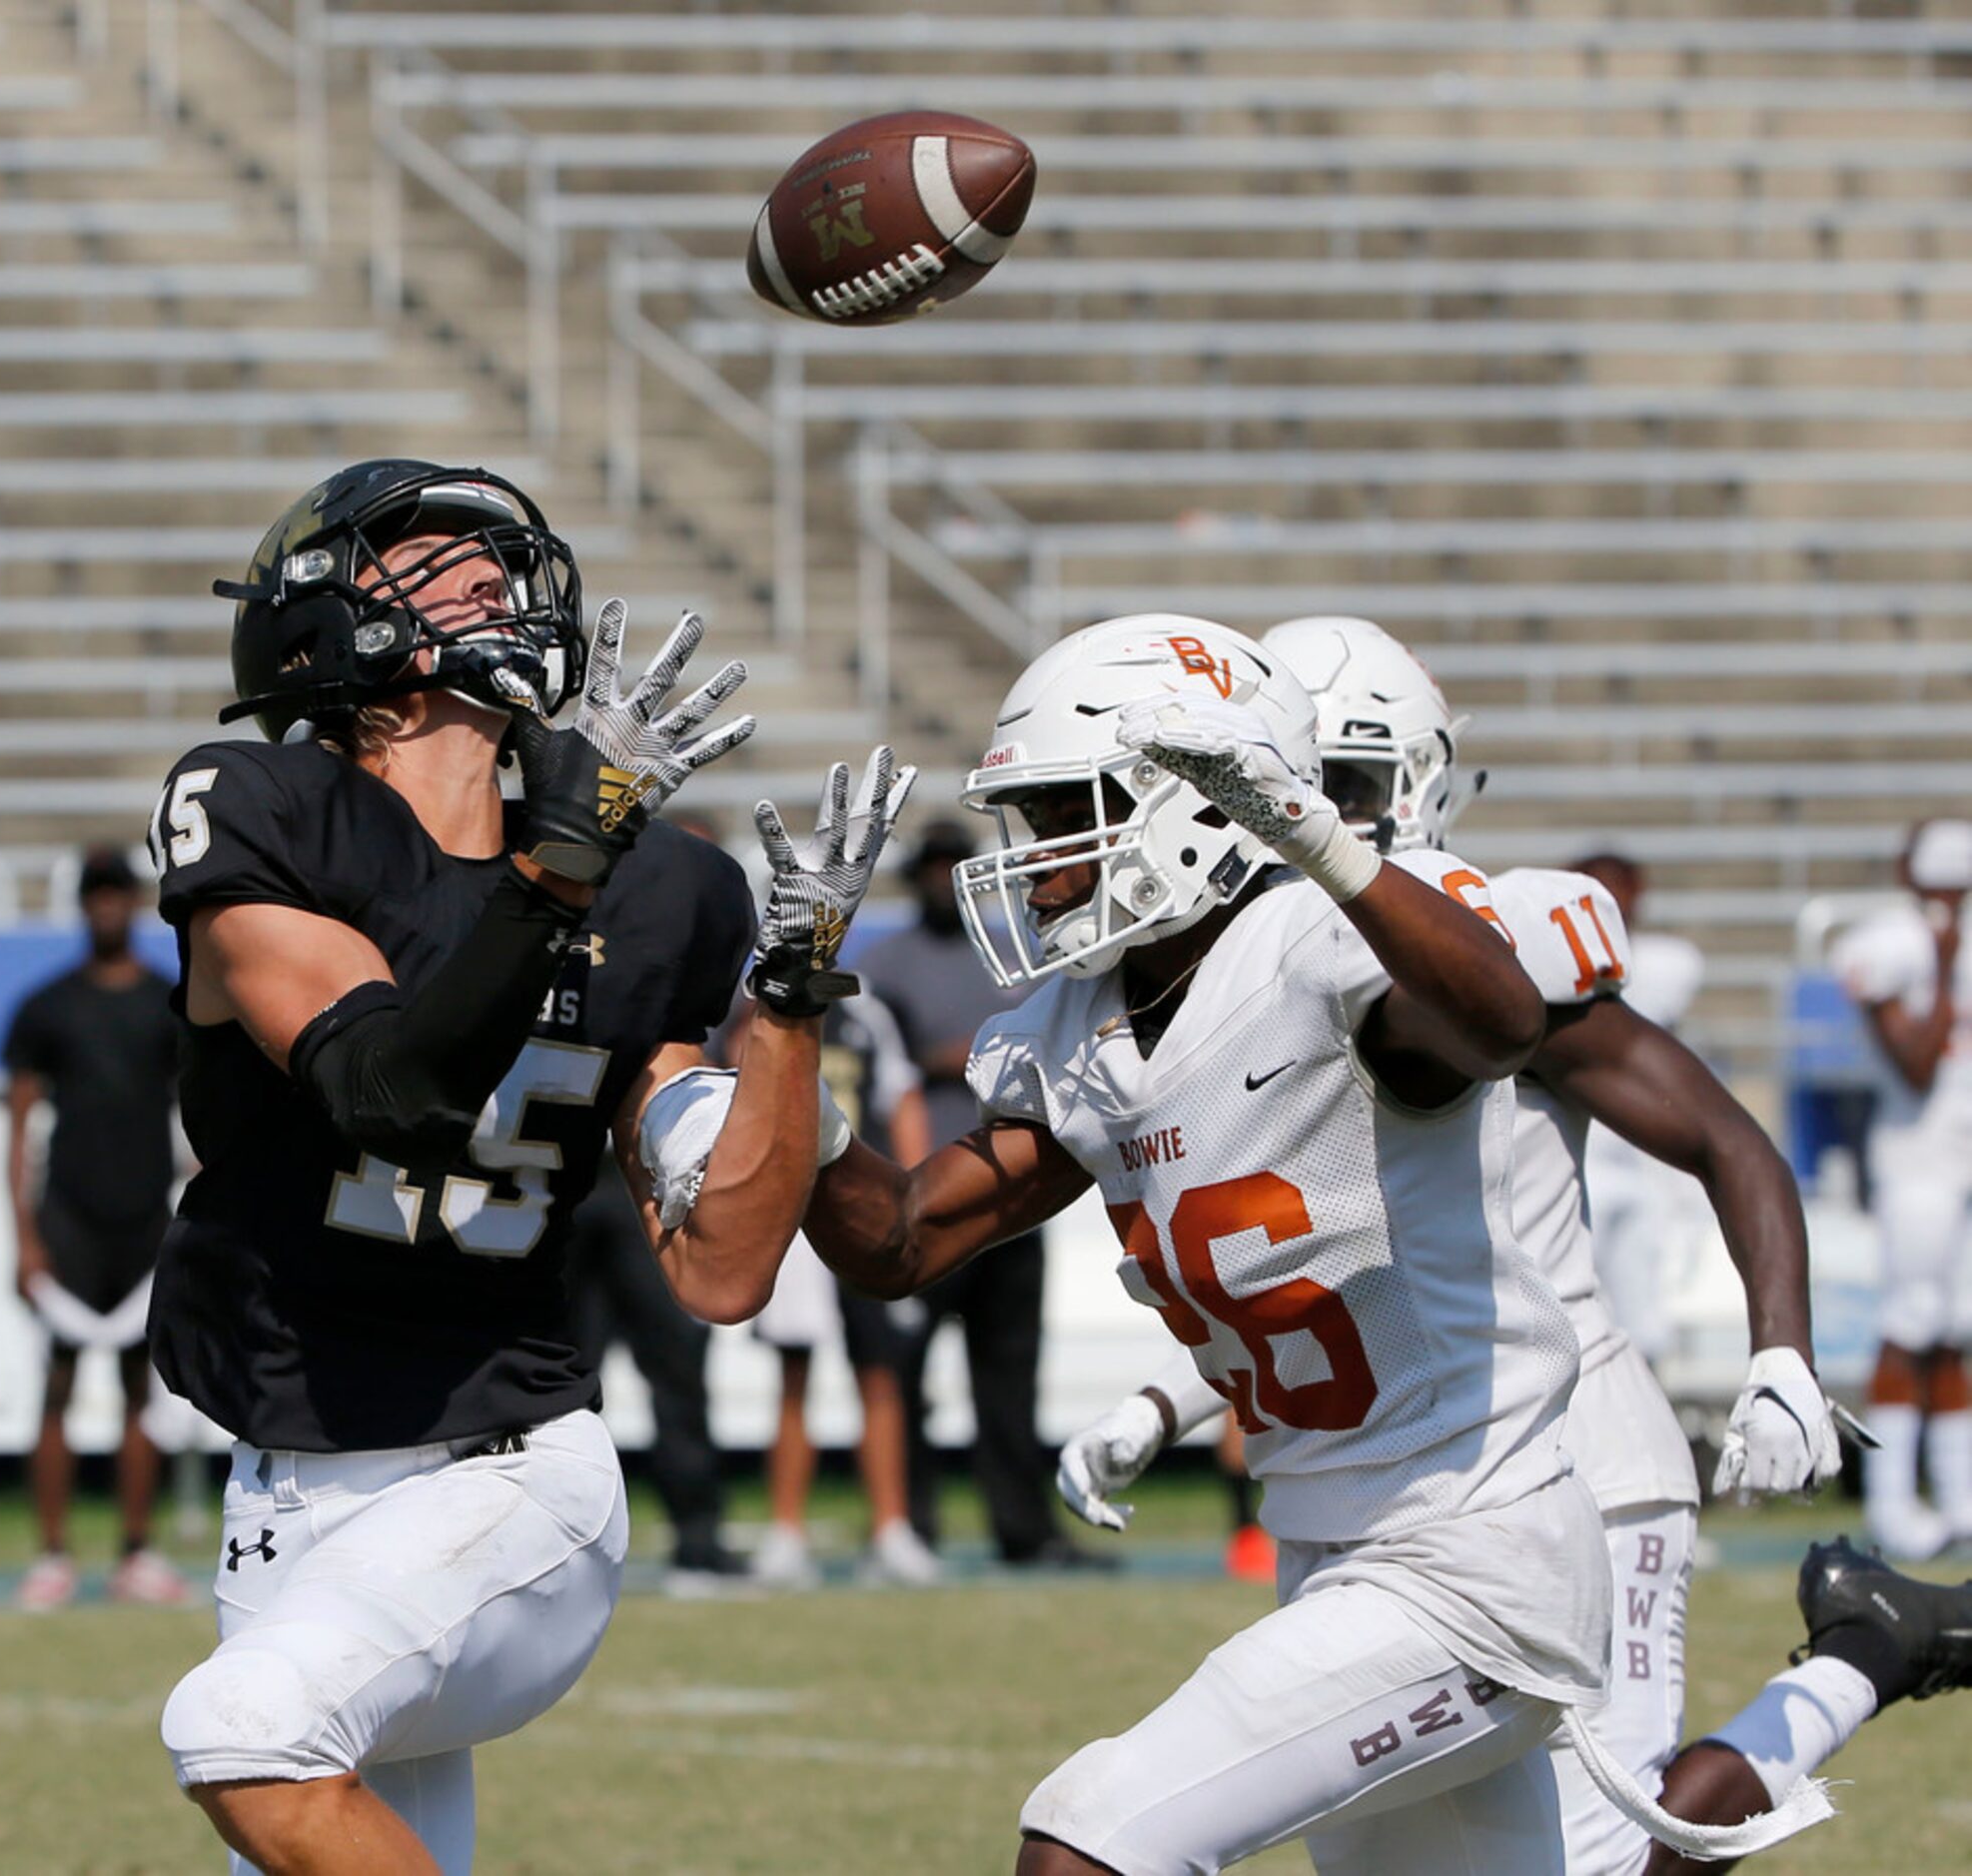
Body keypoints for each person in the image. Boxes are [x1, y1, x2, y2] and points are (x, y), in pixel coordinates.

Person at [793, 613, 1822, 1873]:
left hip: (1476, 1549)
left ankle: (1842, 1679)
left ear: (1186, 810)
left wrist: (1322, 845)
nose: (1040, 860)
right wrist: (789, 1018)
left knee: (1089, 1836)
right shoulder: (1081, 1027)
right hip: (1335, 1545)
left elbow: (1499, 1023)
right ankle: (1872, 1658)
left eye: (1070, 813)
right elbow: (898, 1239)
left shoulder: (1334, 949)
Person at [1063, 614, 1969, 1874]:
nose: (1317, 811)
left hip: (1574, 1449)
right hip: (1395, 1477)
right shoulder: (1243, 981)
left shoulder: (1479, 954)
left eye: (1348, 785)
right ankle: (1872, 1645)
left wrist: (1782, 1352)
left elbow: (1723, 1137)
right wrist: (1165, 1398)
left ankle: (1860, 1658)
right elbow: (1305, 1256)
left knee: (1612, 1856)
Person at [145, 458, 909, 1875]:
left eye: (494, 557)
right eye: (430, 557)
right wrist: (554, 864)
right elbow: (392, 1091)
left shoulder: (658, 883)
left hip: (506, 1480)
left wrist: (790, 1004)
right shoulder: (263, 809)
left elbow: (729, 1266)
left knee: (245, 1727)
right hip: (288, 1482)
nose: (487, 577)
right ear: (321, 620)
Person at [860, 820, 1092, 1568]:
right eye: (929, 865)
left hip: (1011, 1196)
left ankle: (1022, 1529)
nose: (939, 878)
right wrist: (948, 1059)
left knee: (1009, 1374)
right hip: (926, 1188)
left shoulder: (1016, 954)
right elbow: (875, 1062)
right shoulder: (886, 963)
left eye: (951, 865)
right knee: (903, 1375)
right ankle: (909, 1526)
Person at [2, 844, 187, 1609]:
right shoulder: (46, 1008)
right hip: (69, 1218)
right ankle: (51, 1555)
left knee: (139, 1389)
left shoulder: (167, 1002)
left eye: (118, 892)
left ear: (137, 902)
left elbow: (203, 1117)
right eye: (95, 893)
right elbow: (15, 1128)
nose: (106, 905)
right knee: (56, 1385)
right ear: (81, 905)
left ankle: (134, 1554)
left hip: (144, 1218)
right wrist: (24, 1235)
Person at [747, 982, 939, 1589]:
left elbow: (902, 1101)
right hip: (790, 1214)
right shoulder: (760, 1010)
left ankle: (891, 1528)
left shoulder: (865, 1014)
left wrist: (914, 1200)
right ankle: (785, 1530)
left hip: (858, 1206)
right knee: (794, 1376)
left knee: (880, 1374)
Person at [1831, 816, 1972, 1559]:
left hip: (1961, 1158)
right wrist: (1944, 967)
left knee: (1953, 1330)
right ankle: (1890, 1505)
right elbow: (1914, 1063)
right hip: (1914, 1159)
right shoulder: (1888, 944)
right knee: (1907, 1324)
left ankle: (1957, 1498)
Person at [562, 1159, 746, 1594]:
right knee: (559, 1379)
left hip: (641, 1180)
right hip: (558, 1179)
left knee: (677, 1362)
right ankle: (552, 1544)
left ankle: (698, 1538)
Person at [1569, 849, 1710, 1366]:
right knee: (1570, 1327)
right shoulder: (1547, 964)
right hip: (1571, 1160)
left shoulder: (1665, 965)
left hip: (1637, 1163)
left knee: (1644, 1329)